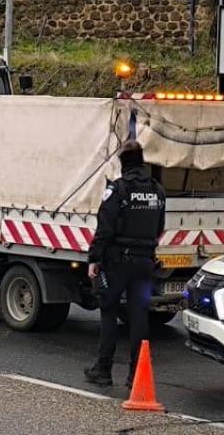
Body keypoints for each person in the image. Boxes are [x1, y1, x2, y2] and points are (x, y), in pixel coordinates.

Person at [84, 140, 166, 388]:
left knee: (108, 310)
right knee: (139, 316)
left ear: (123, 162)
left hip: (117, 261)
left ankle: (103, 370)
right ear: (141, 160)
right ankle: (136, 375)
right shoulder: (157, 191)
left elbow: (105, 229)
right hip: (145, 262)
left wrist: (94, 258)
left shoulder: (117, 190)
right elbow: (160, 228)